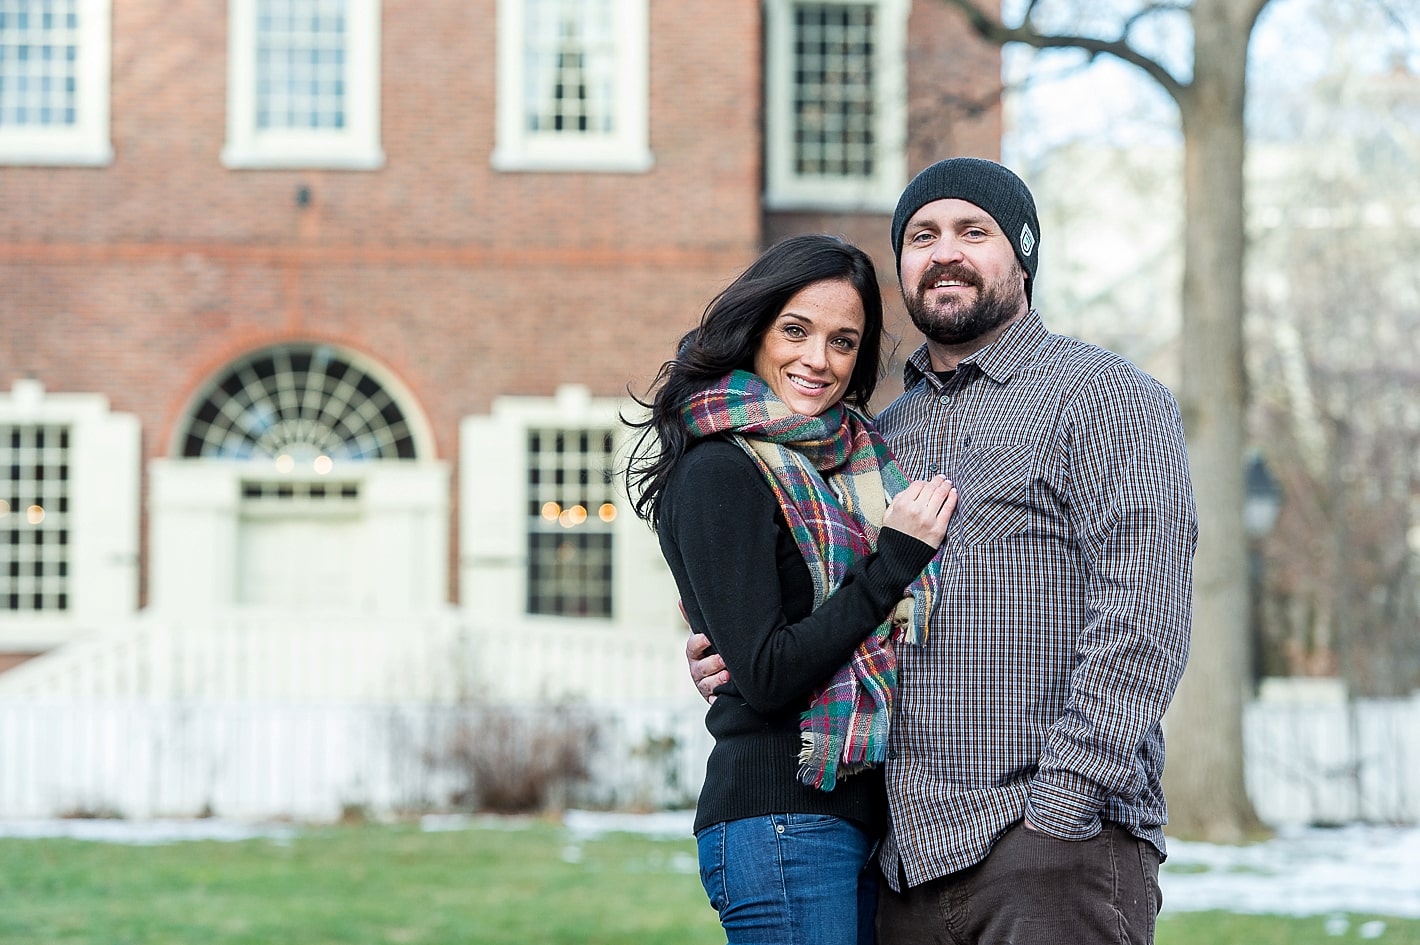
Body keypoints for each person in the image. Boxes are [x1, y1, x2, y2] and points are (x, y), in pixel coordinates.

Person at [688, 158, 1198, 945]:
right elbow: (817, 597)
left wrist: (1059, 811)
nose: (945, 251)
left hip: (1048, 857)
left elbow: (1144, 619)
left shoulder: (1104, 397)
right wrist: (729, 643)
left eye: (974, 231)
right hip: (904, 870)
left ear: (1021, 254)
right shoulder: (880, 436)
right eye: (922, 235)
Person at [624, 233, 958, 945]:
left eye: (843, 341)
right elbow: (770, 674)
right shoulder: (720, 468)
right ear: (756, 329)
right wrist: (891, 562)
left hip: (850, 820)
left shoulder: (844, 466)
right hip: (781, 821)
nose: (817, 359)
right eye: (796, 331)